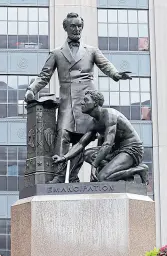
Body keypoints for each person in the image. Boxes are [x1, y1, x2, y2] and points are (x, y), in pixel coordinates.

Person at [24, 12, 132, 183]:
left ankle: (83, 176)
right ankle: (59, 176)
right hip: (68, 103)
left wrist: (116, 75)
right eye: (73, 26)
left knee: (85, 140)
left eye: (79, 26)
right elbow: (44, 76)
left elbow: (106, 66)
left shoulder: (91, 51)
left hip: (88, 102)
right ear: (65, 28)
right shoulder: (57, 53)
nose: (76, 29)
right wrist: (31, 89)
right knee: (63, 136)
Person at [52, 90, 148, 183]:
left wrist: (94, 165)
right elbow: (81, 144)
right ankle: (114, 171)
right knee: (86, 154)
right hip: (116, 150)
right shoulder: (93, 122)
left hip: (131, 149)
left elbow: (107, 144)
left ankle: (138, 170)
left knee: (103, 178)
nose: (82, 103)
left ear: (95, 103)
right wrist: (64, 158)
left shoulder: (110, 115)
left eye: (86, 100)